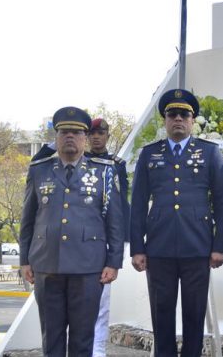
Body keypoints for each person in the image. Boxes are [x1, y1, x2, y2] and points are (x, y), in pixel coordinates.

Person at [130, 89, 223, 357]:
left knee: (194, 316)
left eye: (184, 114)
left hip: (197, 246)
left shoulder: (209, 153)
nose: (178, 119)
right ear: (165, 120)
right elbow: (138, 202)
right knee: (161, 316)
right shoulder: (150, 154)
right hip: (159, 247)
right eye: (172, 114)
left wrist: (220, 245)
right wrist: (137, 248)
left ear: (192, 120)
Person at [19, 106, 124, 356]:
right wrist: (24, 260)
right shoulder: (39, 169)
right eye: (64, 131)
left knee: (82, 339)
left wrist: (114, 261)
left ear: (85, 138)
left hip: (88, 267)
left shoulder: (104, 171)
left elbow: (115, 220)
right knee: (51, 338)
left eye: (76, 132)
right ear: (56, 137)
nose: (70, 136)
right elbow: (28, 219)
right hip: (47, 264)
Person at [86, 118, 130, 357]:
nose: (96, 137)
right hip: (83, 236)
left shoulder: (116, 164)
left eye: (100, 133)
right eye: (92, 133)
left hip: (104, 237)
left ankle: (99, 350)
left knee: (101, 301)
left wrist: (121, 237)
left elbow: (121, 202)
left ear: (107, 136)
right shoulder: (80, 161)